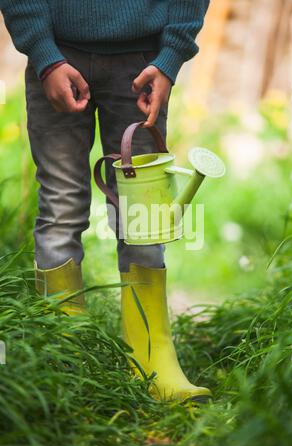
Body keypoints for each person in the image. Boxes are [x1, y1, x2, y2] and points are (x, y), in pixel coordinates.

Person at [1, 0, 211, 402]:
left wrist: (170, 58)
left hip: (144, 62)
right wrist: (44, 56)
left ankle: (152, 359)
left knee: (143, 214)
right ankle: (67, 361)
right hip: (58, 56)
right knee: (61, 208)